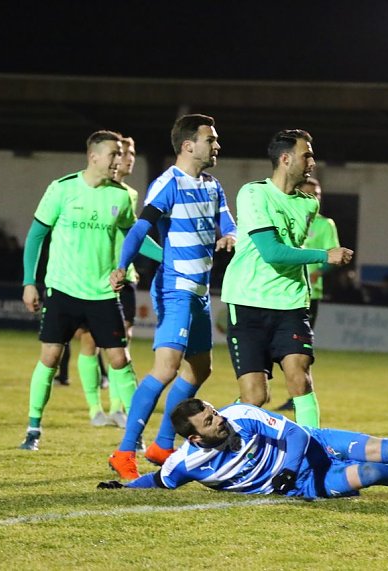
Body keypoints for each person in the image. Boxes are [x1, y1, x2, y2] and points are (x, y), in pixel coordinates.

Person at [107, 114, 237, 480]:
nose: (217, 145)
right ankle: (124, 451)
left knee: (201, 369)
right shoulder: (168, 184)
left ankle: (163, 445)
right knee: (165, 369)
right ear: (188, 145)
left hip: (199, 291)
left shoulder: (213, 185)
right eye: (210, 139)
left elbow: (229, 224)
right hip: (176, 288)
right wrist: (122, 266)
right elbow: (139, 230)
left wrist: (231, 236)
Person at [18, 130, 160, 451]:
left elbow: (135, 237)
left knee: (120, 360)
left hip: (102, 294)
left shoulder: (121, 196)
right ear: (93, 157)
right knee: (51, 357)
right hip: (63, 290)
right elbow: (36, 236)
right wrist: (29, 281)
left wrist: (171, 258)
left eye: (121, 153)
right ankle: (33, 429)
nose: (118, 160)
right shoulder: (61, 189)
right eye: (113, 154)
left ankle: (134, 434)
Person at [97, 398, 388, 496]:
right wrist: (124, 488)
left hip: (313, 448)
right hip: (306, 485)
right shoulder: (188, 463)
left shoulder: (241, 413)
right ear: (194, 439)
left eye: (214, 412)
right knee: (372, 474)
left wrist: (284, 468)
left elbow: (296, 433)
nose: (219, 419)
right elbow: (160, 480)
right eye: (209, 421)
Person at [219, 129, 353, 431]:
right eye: (306, 154)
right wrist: (324, 255)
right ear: (285, 158)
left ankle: (315, 450)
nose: (312, 161)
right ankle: (215, 433)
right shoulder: (253, 193)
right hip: (248, 301)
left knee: (300, 378)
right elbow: (271, 252)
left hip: (291, 302)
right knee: (255, 396)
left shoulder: (308, 204)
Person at [56, 136, 146, 428]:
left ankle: (119, 408)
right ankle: (95, 409)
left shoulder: (127, 194)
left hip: (121, 281)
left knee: (121, 347)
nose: (128, 159)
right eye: (124, 153)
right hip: (92, 283)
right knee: (89, 342)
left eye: (131, 154)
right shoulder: (80, 190)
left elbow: (129, 236)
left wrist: (126, 266)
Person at [275, 177, 340, 412]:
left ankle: (298, 394)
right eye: (311, 193)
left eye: (319, 194)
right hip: (283, 289)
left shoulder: (325, 225)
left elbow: (333, 255)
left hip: (310, 294)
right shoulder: (288, 218)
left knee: (300, 348)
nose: (316, 198)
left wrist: (319, 272)